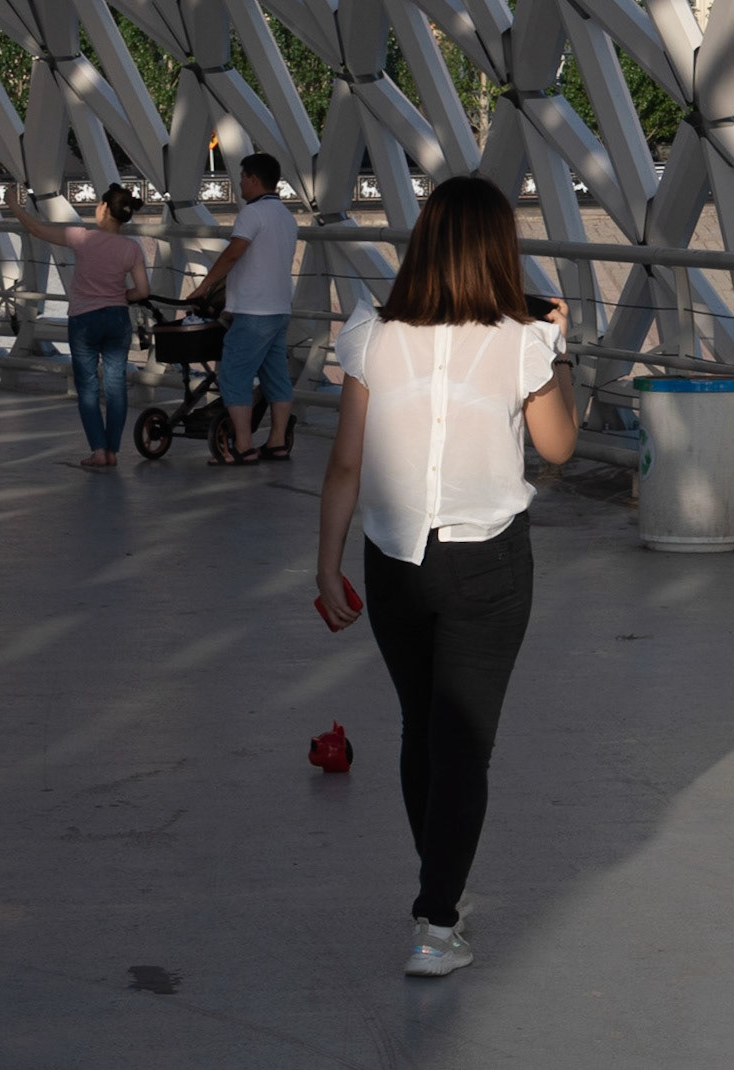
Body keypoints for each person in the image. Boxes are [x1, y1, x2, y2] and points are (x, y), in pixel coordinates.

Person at [316, 175, 579, 976]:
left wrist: (325, 564)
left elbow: (346, 460)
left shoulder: (372, 333)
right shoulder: (521, 340)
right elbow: (561, 446)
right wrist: (562, 350)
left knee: (422, 731)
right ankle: (436, 922)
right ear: (501, 248)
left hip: (393, 561)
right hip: (488, 560)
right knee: (464, 745)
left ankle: (440, 893)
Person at [9, 183, 149, 467]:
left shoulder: (81, 238)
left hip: (84, 320)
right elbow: (143, 291)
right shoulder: (131, 248)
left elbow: (36, 229)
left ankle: (98, 451)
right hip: (117, 318)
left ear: (104, 209)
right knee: (115, 386)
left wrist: (13, 203)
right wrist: (121, 296)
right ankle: (112, 451)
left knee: (86, 387)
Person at [186, 153, 298, 465]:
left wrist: (204, 286)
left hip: (254, 312)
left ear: (252, 178)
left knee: (233, 375)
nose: (239, 185)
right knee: (276, 378)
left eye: (242, 178)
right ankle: (277, 443)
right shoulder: (286, 217)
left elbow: (234, 254)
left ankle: (243, 445)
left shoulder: (252, 214)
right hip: (279, 309)